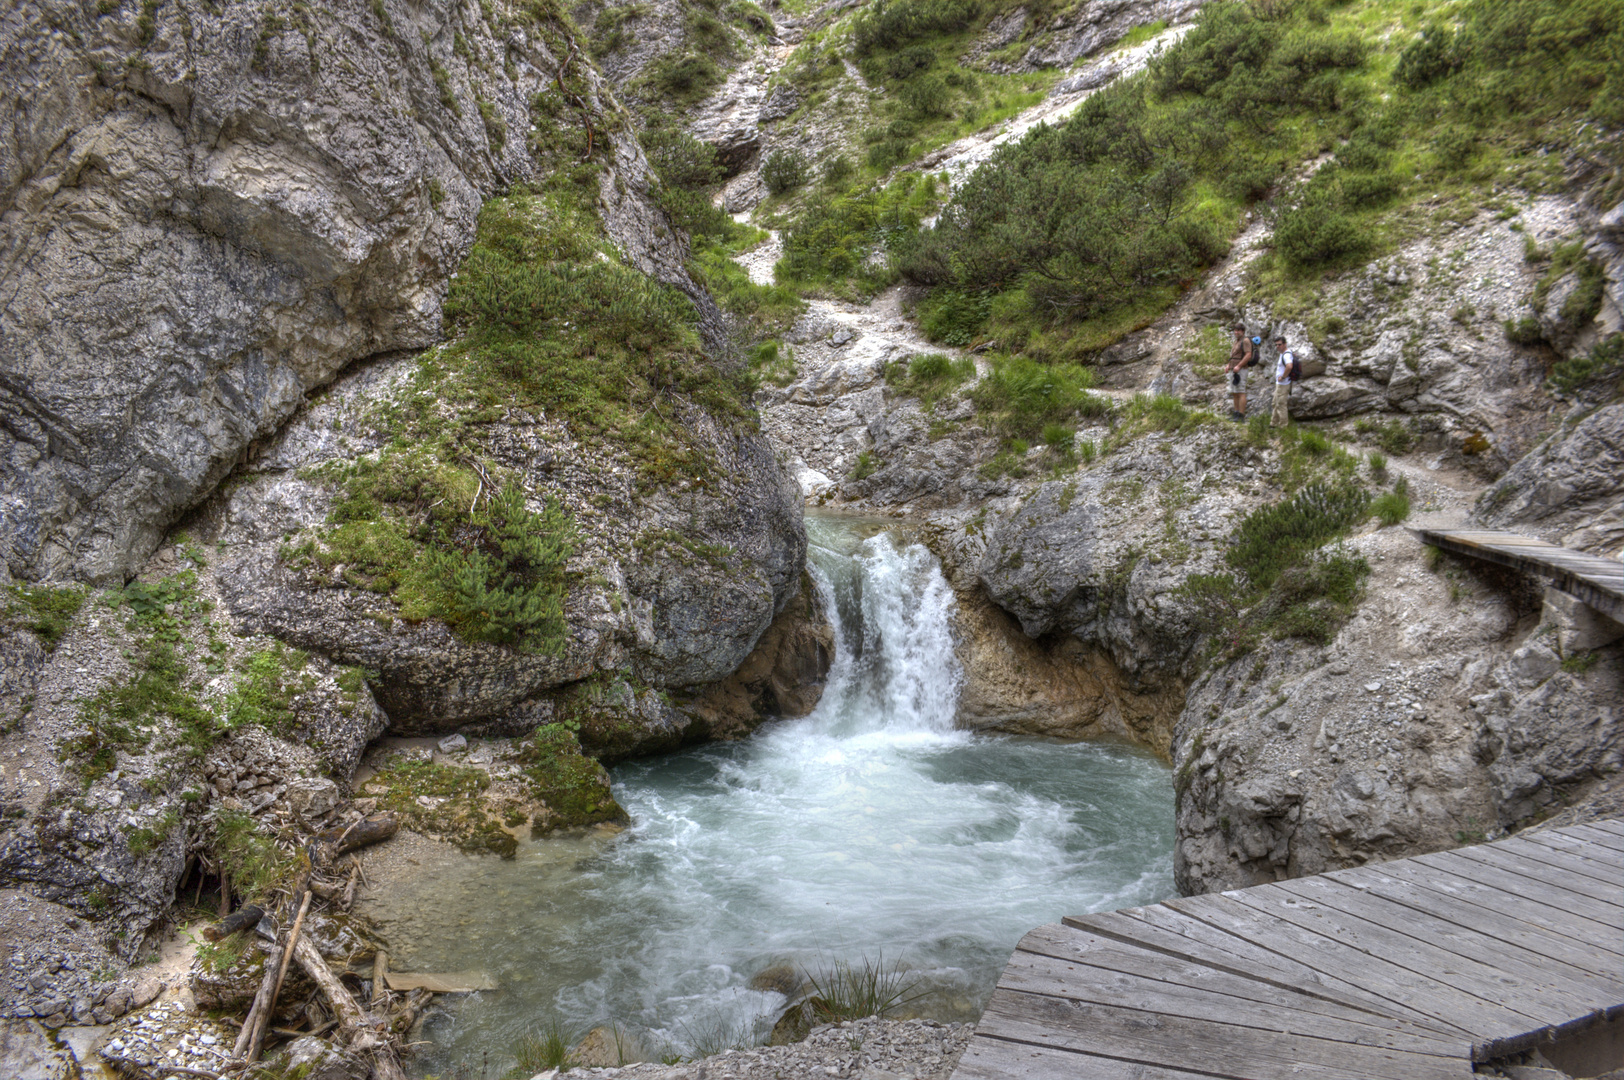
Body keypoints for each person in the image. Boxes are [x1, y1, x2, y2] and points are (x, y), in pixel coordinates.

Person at [1223, 325, 1252, 421]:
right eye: (1235, 330)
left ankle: (1241, 415)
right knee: (1234, 392)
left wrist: (1239, 366)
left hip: (1241, 370)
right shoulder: (1236, 341)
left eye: (1238, 330)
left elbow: (1248, 355)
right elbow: (1234, 355)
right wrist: (1229, 365)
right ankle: (1236, 413)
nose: (1236, 332)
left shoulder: (1245, 341)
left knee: (1241, 391)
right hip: (1233, 369)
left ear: (1243, 331)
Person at [1271, 335, 1295, 428]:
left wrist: (1283, 377)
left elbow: (1289, 366)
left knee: (1281, 404)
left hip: (1283, 384)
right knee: (1275, 403)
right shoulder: (1282, 353)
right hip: (1279, 384)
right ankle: (1273, 423)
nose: (1277, 346)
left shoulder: (1287, 354)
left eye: (1279, 344)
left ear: (1285, 344)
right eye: (1276, 345)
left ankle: (1283, 427)